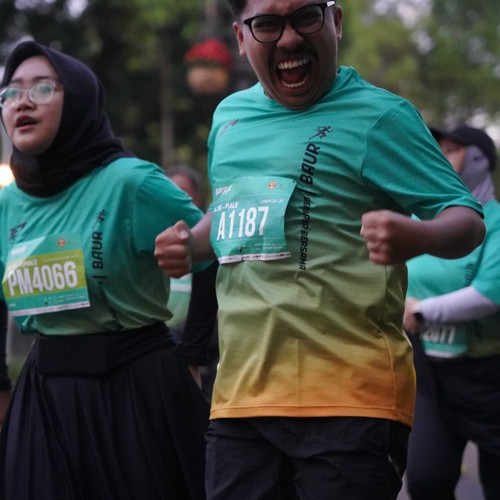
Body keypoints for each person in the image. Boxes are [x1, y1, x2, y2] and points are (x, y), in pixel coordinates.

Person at [154, 1, 486, 498]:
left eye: (306, 16)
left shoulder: (381, 116)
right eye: (268, 24)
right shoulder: (229, 117)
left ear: (336, 22)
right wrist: (189, 244)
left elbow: (467, 219)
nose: (289, 38)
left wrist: (419, 236)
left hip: (350, 402)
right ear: (241, 38)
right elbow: (228, 214)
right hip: (240, 400)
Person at [0, 40, 213, 500]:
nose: (22, 102)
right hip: (44, 395)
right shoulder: (7, 204)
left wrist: (194, 354)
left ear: (78, 99)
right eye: (10, 92)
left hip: (136, 390)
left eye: (42, 88)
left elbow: (214, 250)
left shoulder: (130, 182)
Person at [403, 125, 500, 500]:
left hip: (489, 377)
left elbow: (490, 292)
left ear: (478, 159)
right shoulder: (418, 219)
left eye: (452, 149)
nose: (441, 156)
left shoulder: (495, 221)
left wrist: (422, 310)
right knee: (426, 480)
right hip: (430, 372)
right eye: (438, 149)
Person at [165, 165, 219, 400]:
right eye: (170, 194)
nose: (177, 201)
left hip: (201, 353)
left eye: (184, 194)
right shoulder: (150, 246)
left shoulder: (209, 252)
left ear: (197, 199)